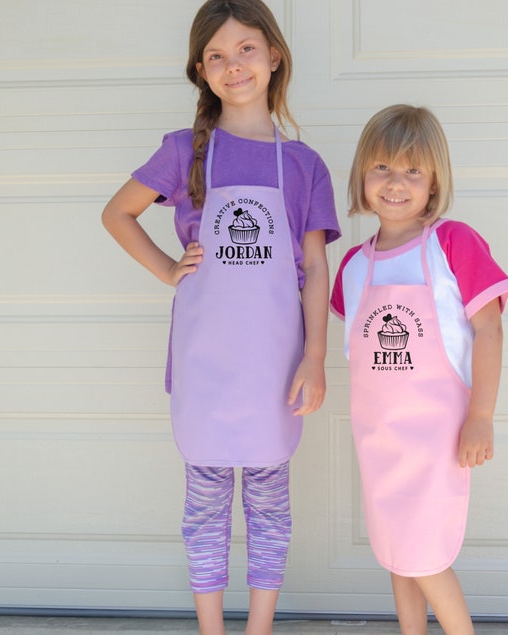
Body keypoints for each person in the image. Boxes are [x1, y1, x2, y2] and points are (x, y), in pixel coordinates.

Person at [102, 1, 340, 633]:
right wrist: (165, 268)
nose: (233, 65)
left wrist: (315, 357)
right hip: (206, 368)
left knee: (269, 510)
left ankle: (257, 628)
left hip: (274, 369)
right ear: (201, 71)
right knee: (204, 510)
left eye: (246, 49)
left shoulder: (303, 165)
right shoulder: (185, 152)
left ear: (275, 56)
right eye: (217, 55)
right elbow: (117, 213)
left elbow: (315, 270)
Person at [330, 104, 508, 635]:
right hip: (379, 439)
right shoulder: (354, 265)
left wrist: (481, 415)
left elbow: (490, 330)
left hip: (436, 439)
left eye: (413, 170)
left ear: (434, 183)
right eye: (382, 167)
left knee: (427, 557)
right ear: (363, 175)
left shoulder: (452, 244)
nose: (395, 182)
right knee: (396, 551)